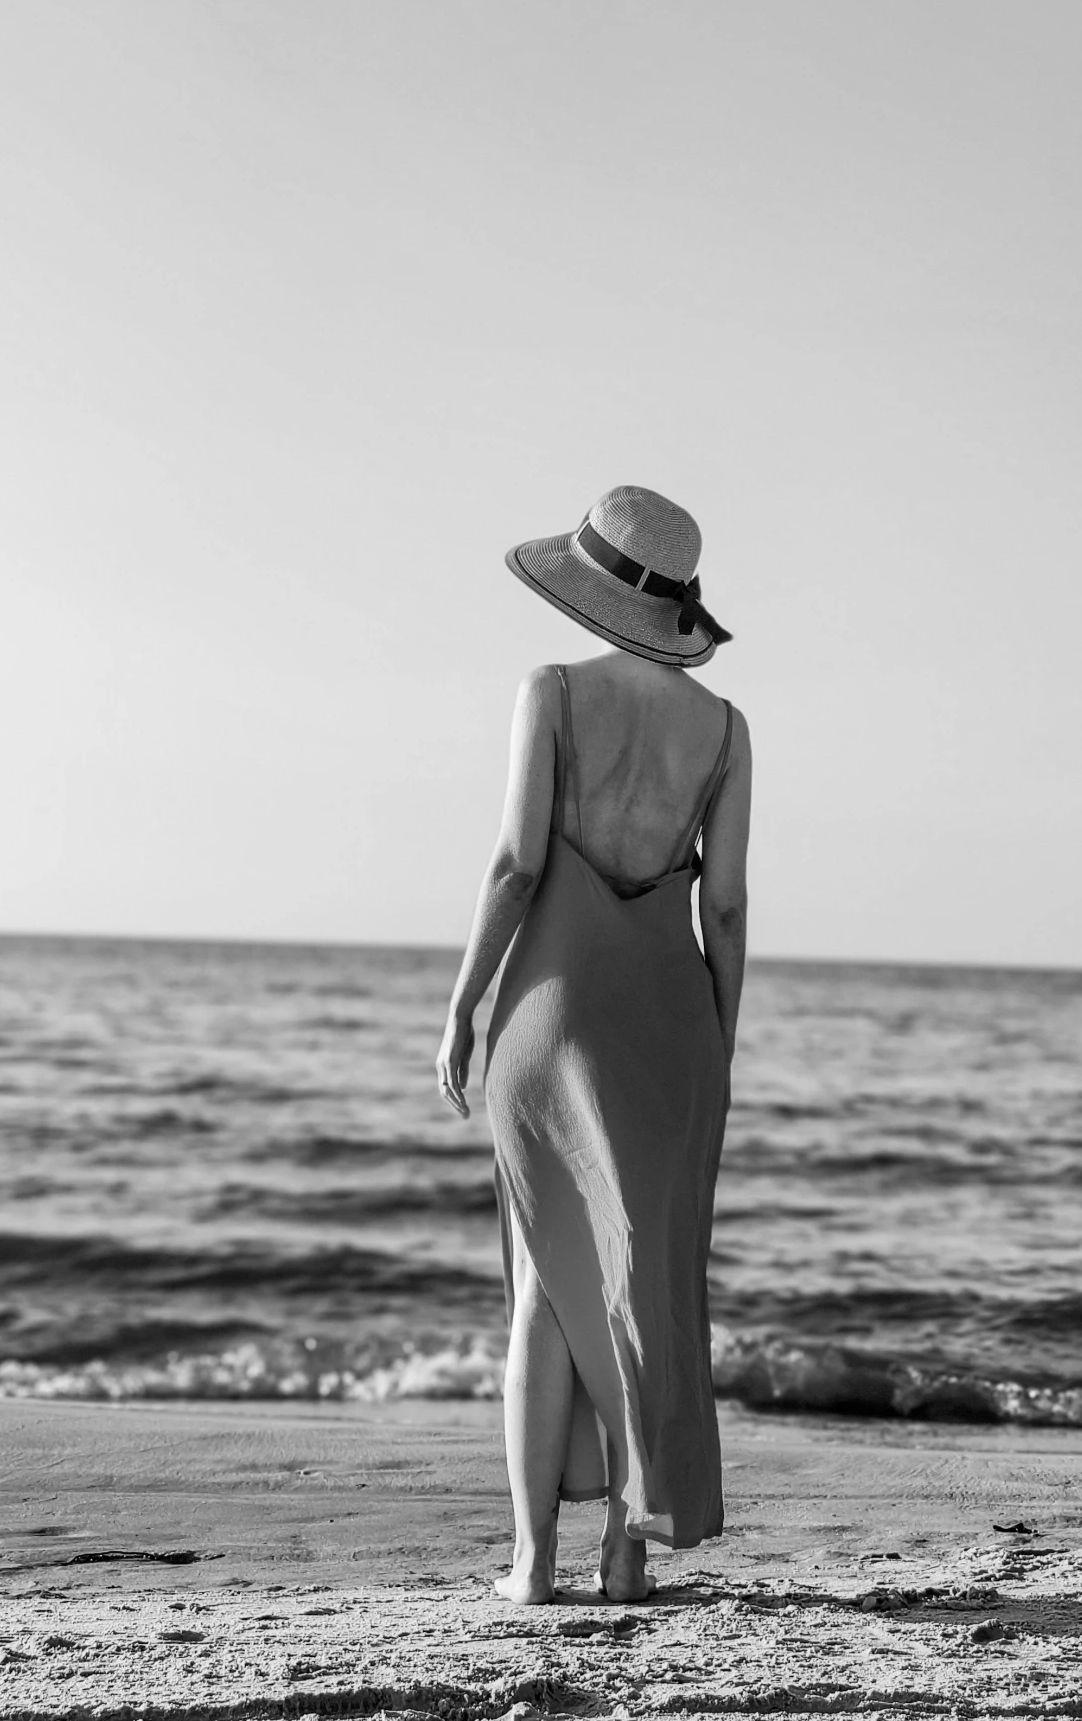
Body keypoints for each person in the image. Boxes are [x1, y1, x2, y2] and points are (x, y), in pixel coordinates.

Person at [435, 486, 753, 1607]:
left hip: (552, 1015)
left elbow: (517, 864)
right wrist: (721, 1039)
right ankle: (626, 1556)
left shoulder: (554, 692)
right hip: (673, 1031)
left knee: (545, 1286)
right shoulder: (725, 729)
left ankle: (532, 1560)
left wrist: (465, 1003)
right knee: (642, 1287)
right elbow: (729, 907)